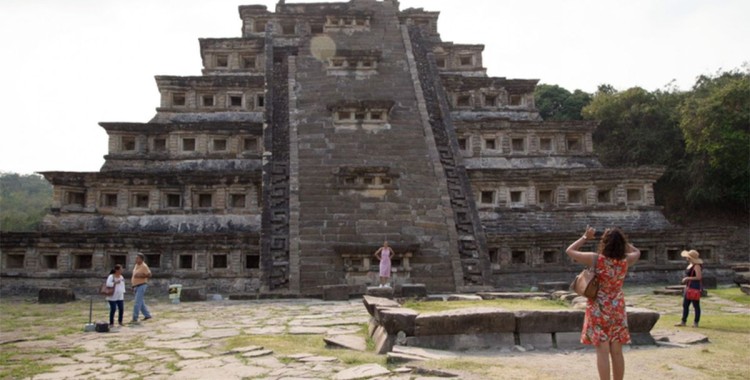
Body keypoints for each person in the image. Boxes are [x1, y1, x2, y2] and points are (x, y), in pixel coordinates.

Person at [566, 226, 640, 380]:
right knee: (617, 351)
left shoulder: (596, 259)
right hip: (617, 307)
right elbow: (637, 252)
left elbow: (570, 251)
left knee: (602, 351)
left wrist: (585, 237)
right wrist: (624, 242)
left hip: (598, 307)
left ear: (604, 243)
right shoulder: (625, 261)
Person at [676, 249, 703, 328]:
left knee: (696, 305)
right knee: (685, 304)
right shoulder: (690, 265)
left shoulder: (696, 266)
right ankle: (683, 321)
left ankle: (696, 322)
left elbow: (699, 277)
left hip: (694, 287)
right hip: (688, 286)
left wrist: (688, 278)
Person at [130, 252, 153, 323]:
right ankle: (147, 315)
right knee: (141, 302)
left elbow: (149, 275)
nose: (136, 259)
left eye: (137, 258)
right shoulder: (136, 265)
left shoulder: (144, 266)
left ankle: (134, 317)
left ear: (141, 259)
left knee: (137, 302)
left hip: (141, 285)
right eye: (136, 258)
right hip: (136, 285)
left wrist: (141, 276)